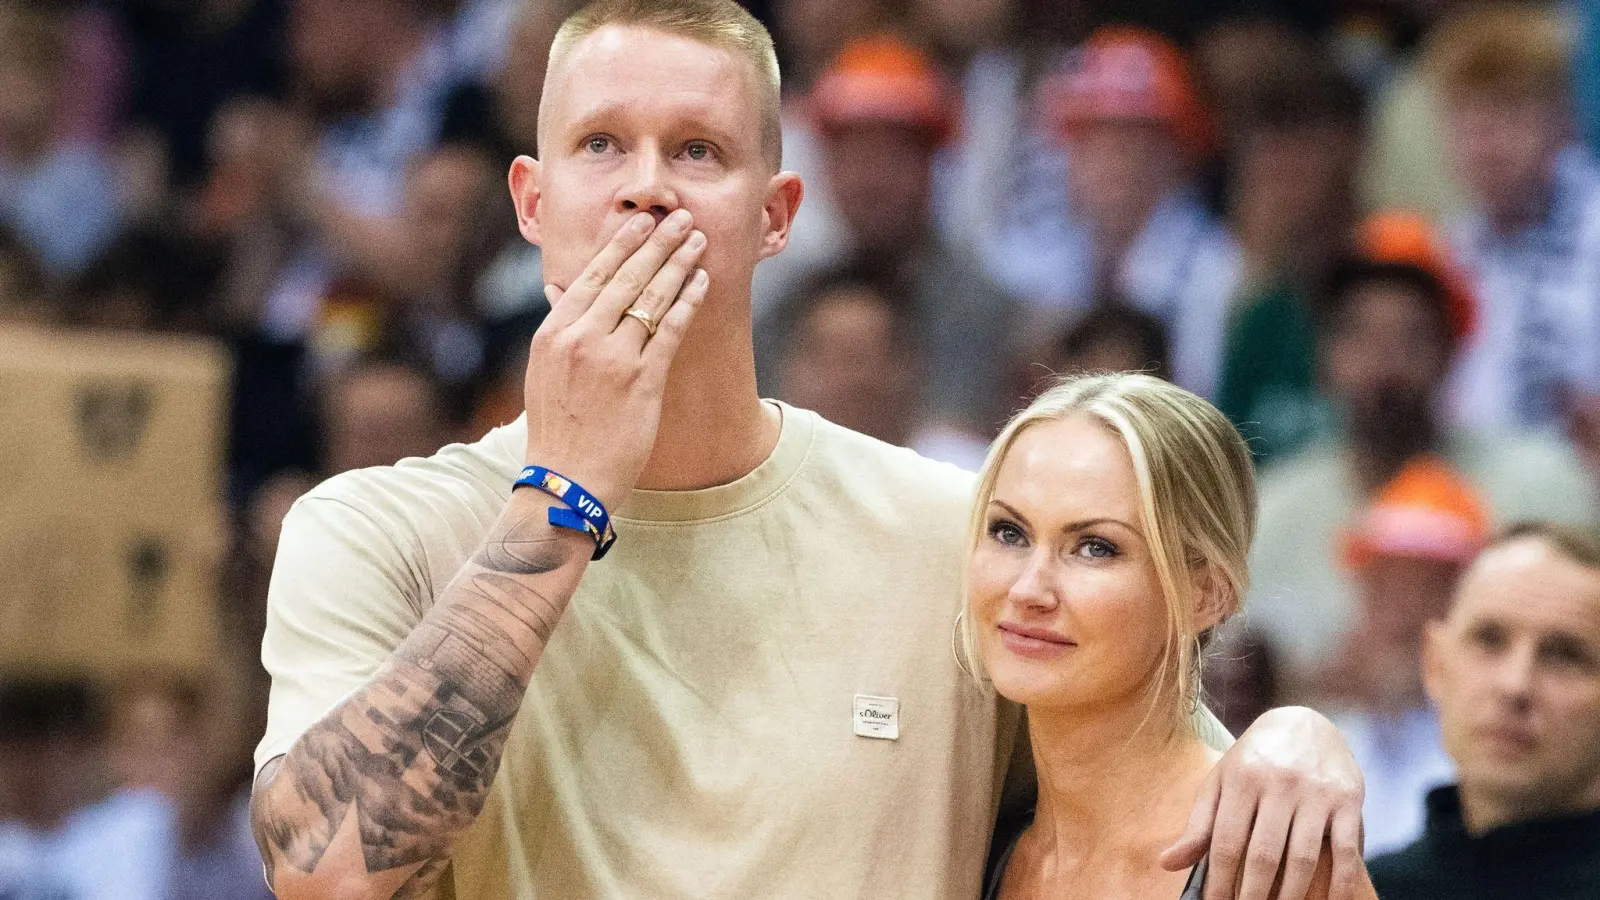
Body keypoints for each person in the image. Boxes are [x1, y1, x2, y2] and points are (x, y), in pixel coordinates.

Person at [249, 2, 1368, 898]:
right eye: (602, 145)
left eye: (697, 150)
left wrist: (1290, 741)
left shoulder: (955, 533)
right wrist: (560, 491)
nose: (646, 186)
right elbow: (327, 871)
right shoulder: (369, 532)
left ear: (776, 214)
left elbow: (1166, 791)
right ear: (533, 201)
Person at [975, 374, 1374, 900]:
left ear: (1205, 595)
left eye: (1095, 547)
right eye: (1010, 532)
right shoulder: (971, 844)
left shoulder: (1276, 863)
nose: (1029, 588)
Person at [1247, 212, 1597, 699]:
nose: (1382, 364)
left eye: (1409, 337)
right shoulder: (1270, 511)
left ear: (1452, 354)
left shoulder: (1538, 484)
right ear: (1324, 357)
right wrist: (1316, 682)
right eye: (1359, 335)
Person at [753, 34, 1020, 432]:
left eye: (894, 154)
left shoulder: (988, 316)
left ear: (933, 164)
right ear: (826, 166)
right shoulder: (786, 306)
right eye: (855, 155)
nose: (872, 179)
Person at [985, 26, 1240, 400]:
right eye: (1096, 139)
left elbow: (1203, 400)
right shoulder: (1031, 256)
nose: (1116, 161)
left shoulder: (1219, 268)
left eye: (1138, 141)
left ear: (1179, 155)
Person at [1368, 522, 1600, 898]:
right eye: (1489, 639)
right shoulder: (1367, 889)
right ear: (1435, 664)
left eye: (1563, 655)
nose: (1515, 685)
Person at [1424, 4, 1600, 434]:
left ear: (1561, 118)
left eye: (1509, 109)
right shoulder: (1448, 252)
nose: (1486, 140)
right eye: (1467, 115)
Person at [1321, 458, 1486, 855]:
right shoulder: (1324, 746)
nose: (1402, 612)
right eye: (1384, 585)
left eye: (1428, 587)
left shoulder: (1495, 759)